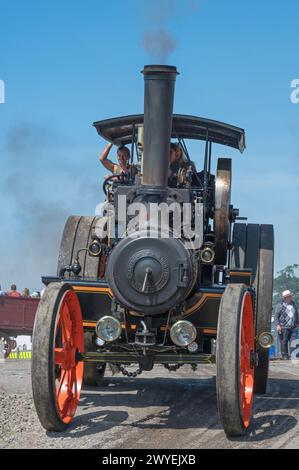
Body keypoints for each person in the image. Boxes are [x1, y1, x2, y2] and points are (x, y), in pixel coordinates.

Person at [275, 290, 299, 360]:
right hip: (283, 327)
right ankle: (285, 356)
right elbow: (276, 316)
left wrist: (298, 323)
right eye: (287, 297)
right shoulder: (280, 305)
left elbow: (296, 315)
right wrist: (278, 325)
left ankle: (293, 355)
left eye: (290, 296)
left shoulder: (294, 304)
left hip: (293, 327)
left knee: (293, 342)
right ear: (284, 298)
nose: (289, 298)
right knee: (284, 342)